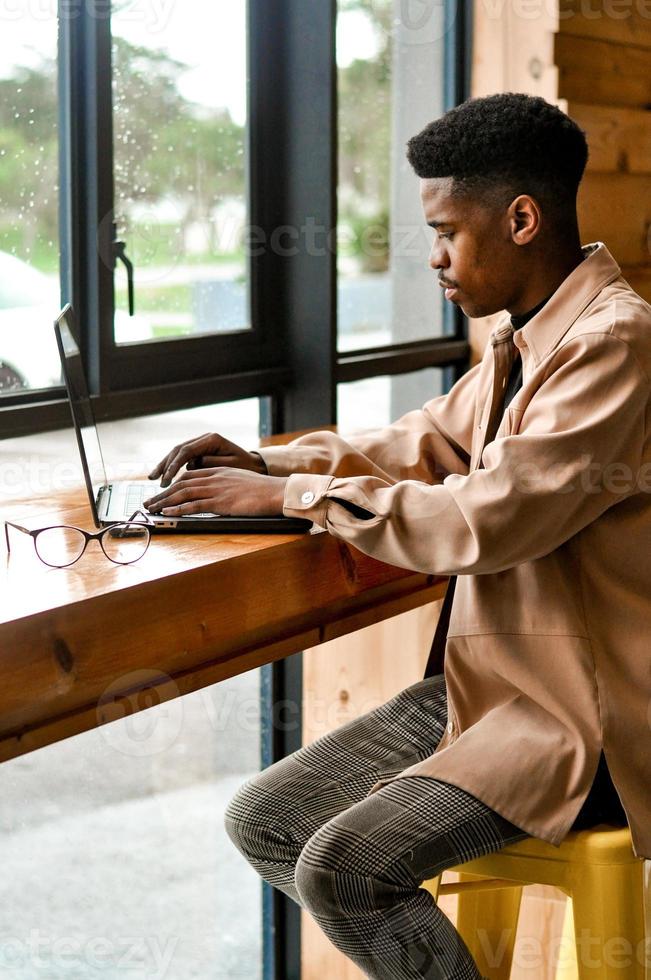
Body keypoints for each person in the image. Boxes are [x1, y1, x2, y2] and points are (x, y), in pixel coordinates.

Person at [145, 93, 650, 978]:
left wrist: (294, 496)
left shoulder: (614, 343)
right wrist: (271, 463)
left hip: (585, 720)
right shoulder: (528, 337)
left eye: (447, 231)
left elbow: (485, 519)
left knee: (346, 871)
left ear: (521, 219)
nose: (433, 258)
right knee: (265, 822)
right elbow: (429, 441)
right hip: (491, 689)